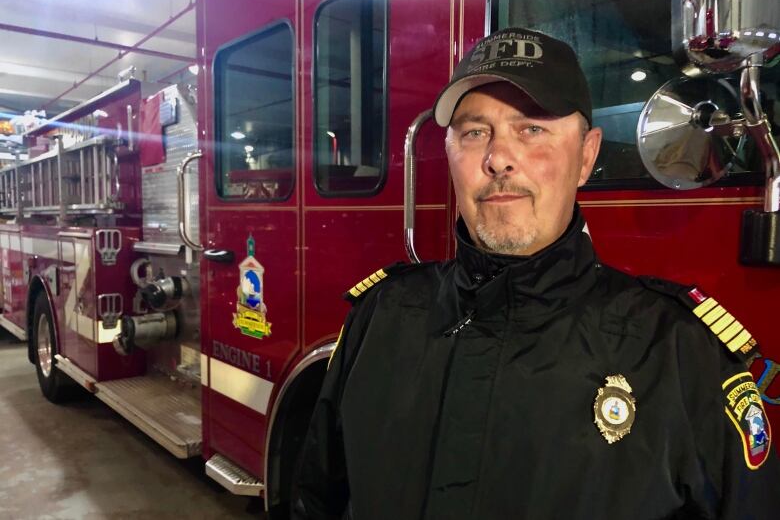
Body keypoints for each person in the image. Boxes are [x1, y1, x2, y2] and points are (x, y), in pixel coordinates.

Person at [292, 28, 778, 520]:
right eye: (474, 132)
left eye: (532, 129)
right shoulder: (379, 318)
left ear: (586, 156)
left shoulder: (678, 352)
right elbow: (316, 502)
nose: (498, 158)